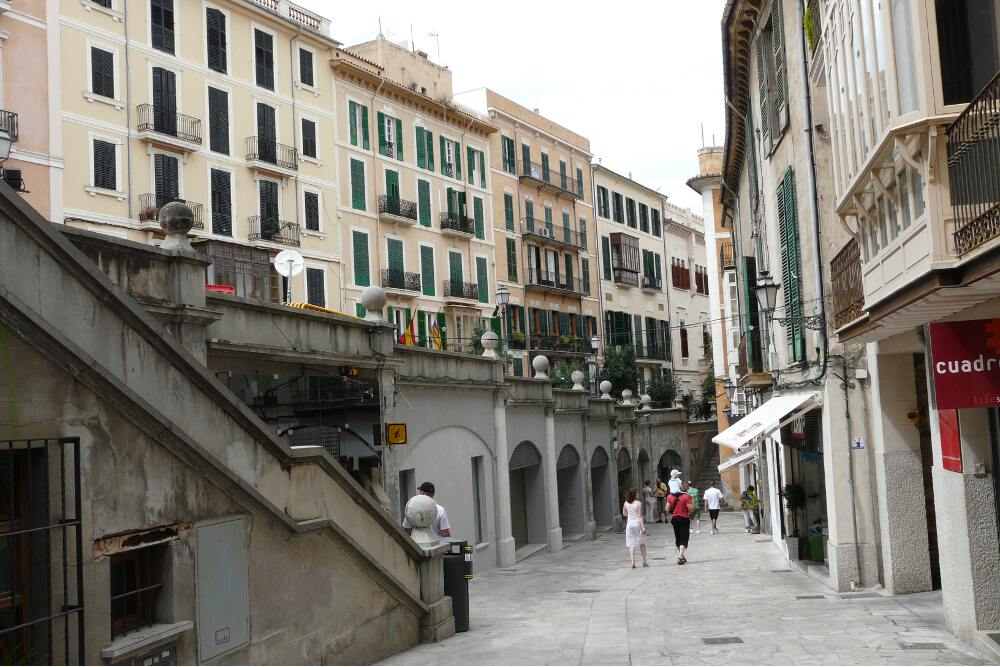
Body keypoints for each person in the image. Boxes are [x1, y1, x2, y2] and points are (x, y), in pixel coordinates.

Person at [667, 482, 694, 565]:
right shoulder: (686, 496)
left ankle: (682, 556)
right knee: (684, 538)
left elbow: (667, 509)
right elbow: (692, 509)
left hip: (675, 519)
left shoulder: (669, 496)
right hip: (684, 519)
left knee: (678, 538)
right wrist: (691, 501)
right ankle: (680, 556)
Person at [622, 488, 649, 568]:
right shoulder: (638, 503)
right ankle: (644, 562)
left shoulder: (626, 503)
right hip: (637, 524)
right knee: (642, 543)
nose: (638, 494)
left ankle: (633, 562)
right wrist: (643, 527)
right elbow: (640, 516)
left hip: (629, 524)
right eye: (637, 493)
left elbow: (624, 513)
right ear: (634, 494)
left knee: (631, 543)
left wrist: (630, 515)